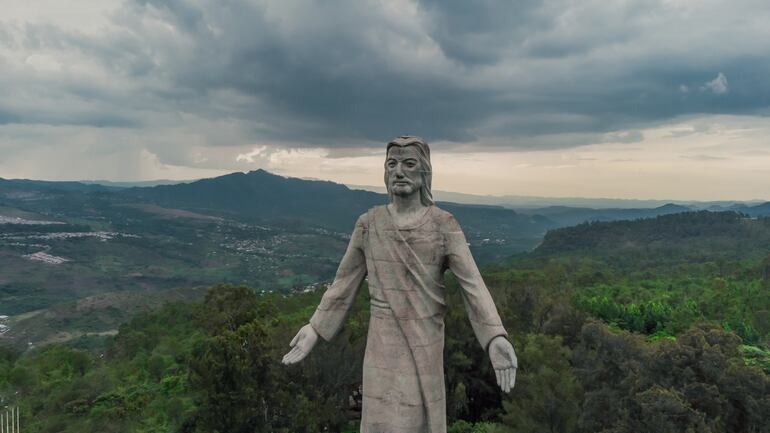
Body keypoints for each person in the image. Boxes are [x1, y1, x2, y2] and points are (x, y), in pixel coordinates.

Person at [282, 136, 517, 433]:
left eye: (409, 164)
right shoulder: (369, 223)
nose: (399, 171)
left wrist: (495, 337)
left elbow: (473, 286)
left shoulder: (444, 224)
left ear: (424, 172)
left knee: (417, 422)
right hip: (382, 343)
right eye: (391, 164)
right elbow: (343, 283)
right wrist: (314, 327)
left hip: (425, 340)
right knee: (381, 420)